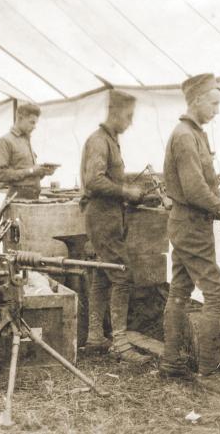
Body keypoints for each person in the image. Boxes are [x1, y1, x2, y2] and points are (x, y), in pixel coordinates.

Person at [159, 73, 220, 391]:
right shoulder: (186, 135)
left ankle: (171, 363)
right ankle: (208, 372)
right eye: (213, 103)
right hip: (192, 226)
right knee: (215, 294)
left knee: (179, 291)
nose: (217, 110)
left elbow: (198, 180)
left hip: (185, 223)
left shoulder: (192, 133)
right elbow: (195, 190)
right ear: (197, 100)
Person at [79, 89, 150, 363]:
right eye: (129, 117)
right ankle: (120, 342)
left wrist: (126, 187)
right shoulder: (99, 141)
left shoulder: (110, 140)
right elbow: (94, 181)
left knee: (101, 275)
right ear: (116, 112)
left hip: (107, 218)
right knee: (121, 276)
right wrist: (126, 192)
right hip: (103, 219)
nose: (130, 123)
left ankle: (95, 336)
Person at [0, 103, 56, 200]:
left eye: (35, 123)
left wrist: (42, 172)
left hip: (33, 197)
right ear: (20, 118)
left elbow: (28, 175)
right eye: (32, 122)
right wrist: (31, 171)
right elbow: (0, 175)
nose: (34, 126)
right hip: (17, 198)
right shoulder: (5, 141)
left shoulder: (26, 140)